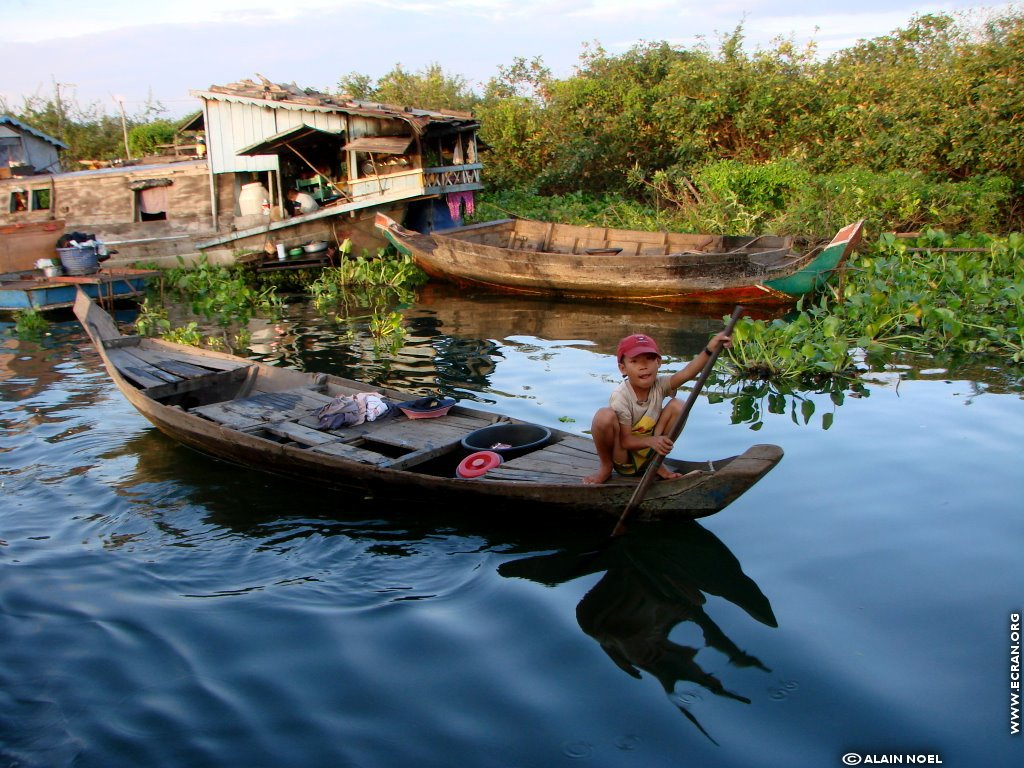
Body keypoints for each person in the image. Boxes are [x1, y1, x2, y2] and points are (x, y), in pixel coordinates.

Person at [583, 330, 732, 485]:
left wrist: (710, 349)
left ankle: (656, 462)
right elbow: (625, 441)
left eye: (649, 359)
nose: (643, 366)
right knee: (603, 416)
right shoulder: (621, 396)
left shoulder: (660, 386)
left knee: (678, 406)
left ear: (659, 362)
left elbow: (687, 373)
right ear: (623, 368)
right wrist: (651, 441)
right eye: (635, 361)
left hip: (650, 452)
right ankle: (606, 466)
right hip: (625, 459)